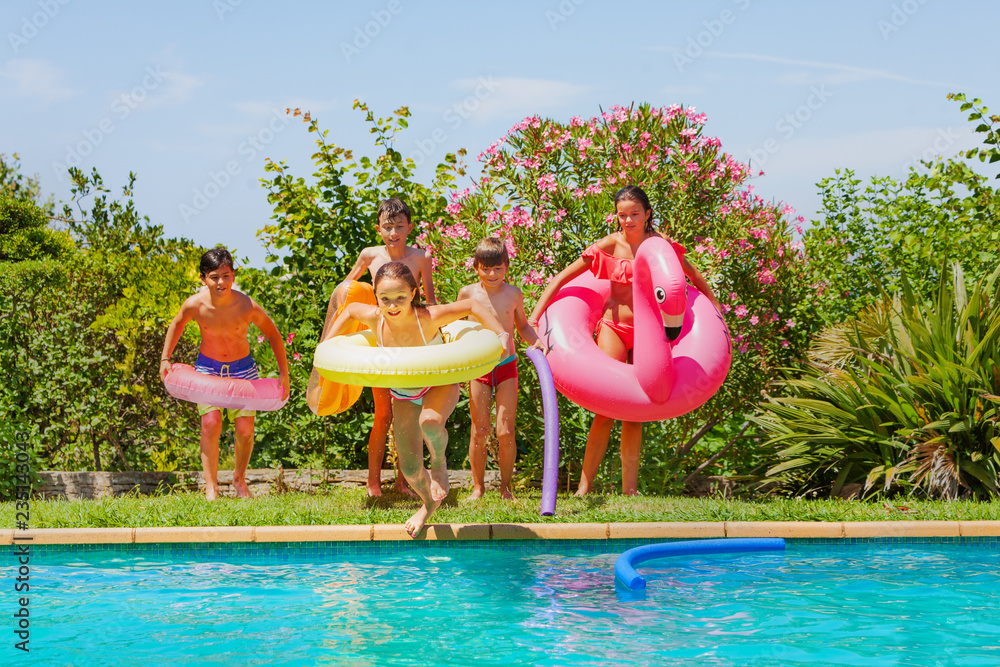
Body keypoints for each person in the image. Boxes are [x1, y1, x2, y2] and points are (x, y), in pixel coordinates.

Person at [528, 186, 719, 496]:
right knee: (606, 409)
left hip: (650, 335)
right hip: (615, 327)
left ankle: (629, 490)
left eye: (634, 214)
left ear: (647, 214)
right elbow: (563, 277)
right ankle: (584, 487)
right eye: (622, 215)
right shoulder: (610, 245)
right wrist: (535, 318)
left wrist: (715, 310)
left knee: (636, 414)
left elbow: (693, 276)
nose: (628, 220)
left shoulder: (660, 248)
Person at [325, 261, 509, 537]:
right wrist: (328, 342)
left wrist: (502, 334)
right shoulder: (376, 317)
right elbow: (350, 309)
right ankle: (427, 505)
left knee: (431, 422)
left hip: (438, 382)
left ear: (413, 293)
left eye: (400, 297)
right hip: (403, 391)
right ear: (376, 297)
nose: (392, 305)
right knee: (410, 469)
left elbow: (472, 305)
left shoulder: (428, 317)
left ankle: (438, 461)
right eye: (384, 299)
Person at [306, 197, 435, 498]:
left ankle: (406, 481)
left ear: (410, 227)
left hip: (408, 343)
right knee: (383, 415)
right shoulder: (369, 256)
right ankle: (373, 482)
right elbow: (345, 294)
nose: (393, 233)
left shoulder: (420, 258)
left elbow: (430, 300)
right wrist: (336, 340)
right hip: (379, 342)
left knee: (410, 413)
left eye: (399, 227)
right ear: (378, 229)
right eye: (387, 227)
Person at [160, 247, 290, 500]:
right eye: (215, 277)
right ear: (203, 278)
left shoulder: (246, 305)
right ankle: (211, 487)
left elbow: (274, 334)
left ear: (233, 275)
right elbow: (176, 324)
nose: (222, 282)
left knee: (244, 431)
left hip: (243, 370)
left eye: (227, 275)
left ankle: (239, 480)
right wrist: (165, 358)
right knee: (210, 424)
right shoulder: (194, 305)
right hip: (208, 369)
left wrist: (283, 372)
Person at [457, 238, 546, 500]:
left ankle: (506, 488)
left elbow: (522, 326)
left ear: (506, 267)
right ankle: (478, 488)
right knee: (480, 430)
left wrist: (537, 341)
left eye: (497, 268)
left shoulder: (514, 294)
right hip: (478, 369)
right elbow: (455, 327)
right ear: (476, 268)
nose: (491, 274)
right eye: (485, 268)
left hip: (507, 366)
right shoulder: (468, 294)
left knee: (505, 430)